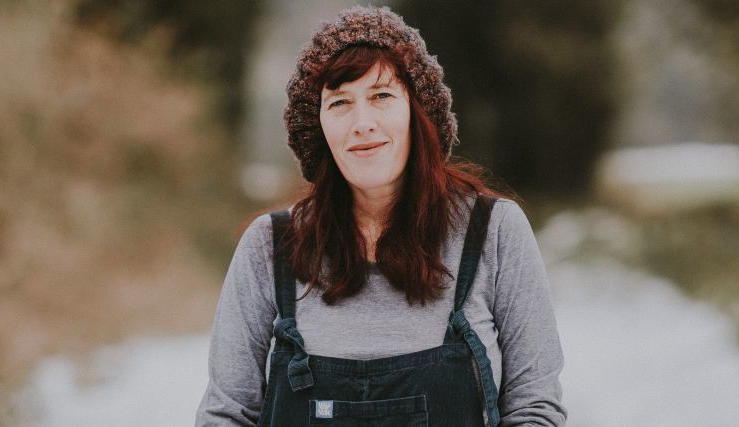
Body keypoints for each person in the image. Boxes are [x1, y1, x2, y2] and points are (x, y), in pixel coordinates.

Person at [196, 6, 565, 426]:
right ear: (318, 127)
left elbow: (536, 407)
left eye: (381, 96)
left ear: (417, 113)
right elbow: (226, 414)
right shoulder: (270, 246)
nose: (362, 123)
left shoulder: (495, 231)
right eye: (339, 103)